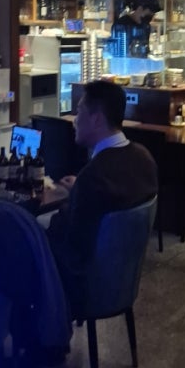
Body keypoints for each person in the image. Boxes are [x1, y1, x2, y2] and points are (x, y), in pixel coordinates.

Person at [47, 80, 158, 314]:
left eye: (79, 112)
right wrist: (78, 191)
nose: (75, 120)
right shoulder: (144, 158)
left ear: (96, 119)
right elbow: (113, 198)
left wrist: (70, 202)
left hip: (86, 287)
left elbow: (73, 246)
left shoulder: (93, 177)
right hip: (122, 282)